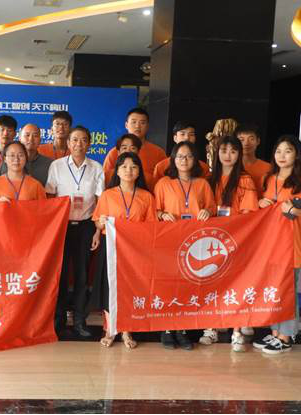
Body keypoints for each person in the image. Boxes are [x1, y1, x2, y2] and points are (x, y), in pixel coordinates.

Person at [154, 141, 216, 350]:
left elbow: (212, 208)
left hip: (195, 242)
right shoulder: (163, 183)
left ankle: (182, 330)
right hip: (170, 241)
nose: (184, 160)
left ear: (195, 160)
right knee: (169, 284)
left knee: (188, 285)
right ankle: (167, 329)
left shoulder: (203, 184)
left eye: (189, 156)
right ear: (173, 159)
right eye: (180, 156)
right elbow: (155, 210)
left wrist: (207, 211)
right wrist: (162, 214)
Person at [91, 152, 156, 349]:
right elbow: (97, 221)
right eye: (124, 166)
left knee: (130, 289)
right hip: (110, 247)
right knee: (109, 289)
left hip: (135, 251)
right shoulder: (107, 195)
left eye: (134, 167)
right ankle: (110, 330)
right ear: (117, 171)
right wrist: (102, 223)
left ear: (139, 172)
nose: (129, 170)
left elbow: (151, 226)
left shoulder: (147, 196)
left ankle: (127, 330)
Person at [46, 126, 105, 337]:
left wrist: (97, 232)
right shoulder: (57, 166)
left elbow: (100, 201)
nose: (78, 144)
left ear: (89, 143)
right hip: (61, 227)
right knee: (60, 275)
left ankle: (80, 321)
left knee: (81, 276)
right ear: (68, 143)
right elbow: (50, 197)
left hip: (86, 226)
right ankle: (58, 321)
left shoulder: (96, 168)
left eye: (83, 140)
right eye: (74, 140)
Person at [201, 136, 259, 352]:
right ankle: (211, 328)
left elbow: (248, 213)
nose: (228, 155)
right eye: (223, 150)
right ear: (216, 153)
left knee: (237, 285)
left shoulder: (245, 180)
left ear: (239, 154)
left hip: (237, 240)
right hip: (212, 241)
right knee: (212, 284)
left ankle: (236, 331)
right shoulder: (208, 179)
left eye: (233, 151)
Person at [254, 135, 301, 355]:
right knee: (275, 290)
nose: (282, 155)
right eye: (278, 151)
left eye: (288, 151)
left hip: (293, 244)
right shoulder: (269, 178)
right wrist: (260, 203)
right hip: (272, 244)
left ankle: (286, 337)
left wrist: (292, 210)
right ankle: (275, 333)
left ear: (297, 154)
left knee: (289, 292)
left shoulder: (299, 180)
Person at [104, 108, 166, 189]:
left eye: (142, 123)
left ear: (147, 126)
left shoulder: (158, 152)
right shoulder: (114, 152)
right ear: (126, 125)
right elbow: (106, 178)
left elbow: (164, 182)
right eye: (134, 122)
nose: (137, 126)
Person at [152, 121, 210, 187]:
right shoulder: (161, 167)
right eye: (182, 134)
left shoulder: (204, 168)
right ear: (175, 138)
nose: (187, 138)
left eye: (191, 134)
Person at [235, 124, 271, 198]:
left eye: (251, 139)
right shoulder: (230, 167)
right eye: (241, 140)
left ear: (258, 141)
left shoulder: (268, 168)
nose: (246, 143)